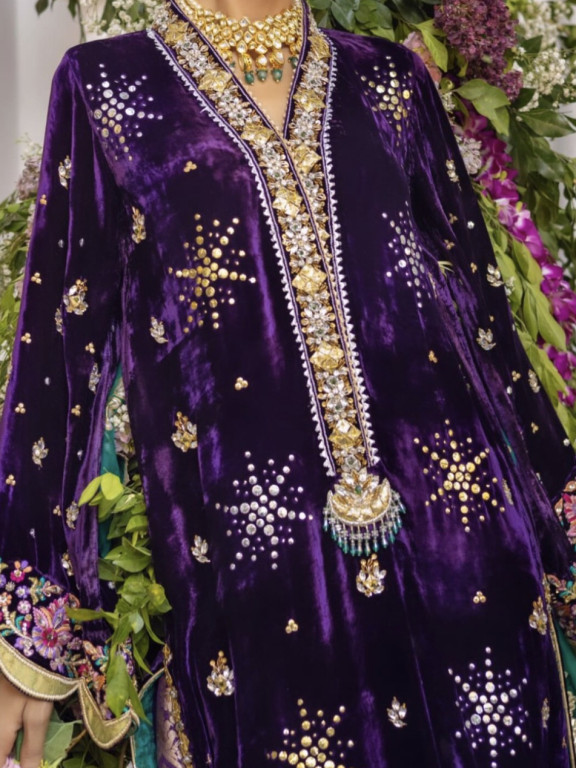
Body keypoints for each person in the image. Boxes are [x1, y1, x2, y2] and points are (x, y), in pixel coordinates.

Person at [1, 0, 576, 765]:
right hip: (260, 580)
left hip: (466, 554)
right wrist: (29, 622)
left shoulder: (390, 78)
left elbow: (485, 324)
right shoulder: (108, 83)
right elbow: (59, 344)